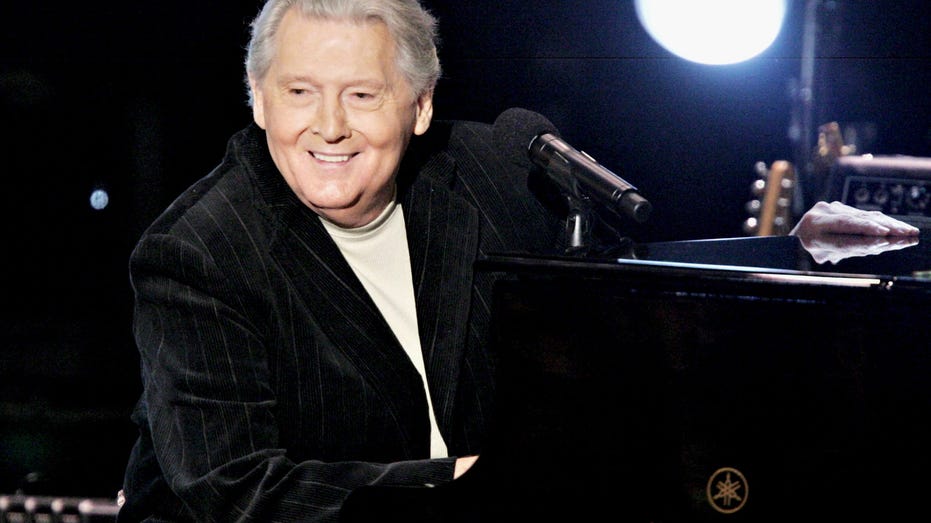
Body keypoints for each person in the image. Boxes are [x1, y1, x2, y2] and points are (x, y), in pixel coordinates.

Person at [116, 1, 919, 521]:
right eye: (298, 93)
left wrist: (796, 249)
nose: (328, 126)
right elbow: (235, 492)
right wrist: (464, 480)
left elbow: (625, 287)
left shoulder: (496, 167)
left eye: (360, 94)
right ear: (257, 99)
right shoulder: (198, 253)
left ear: (420, 104)